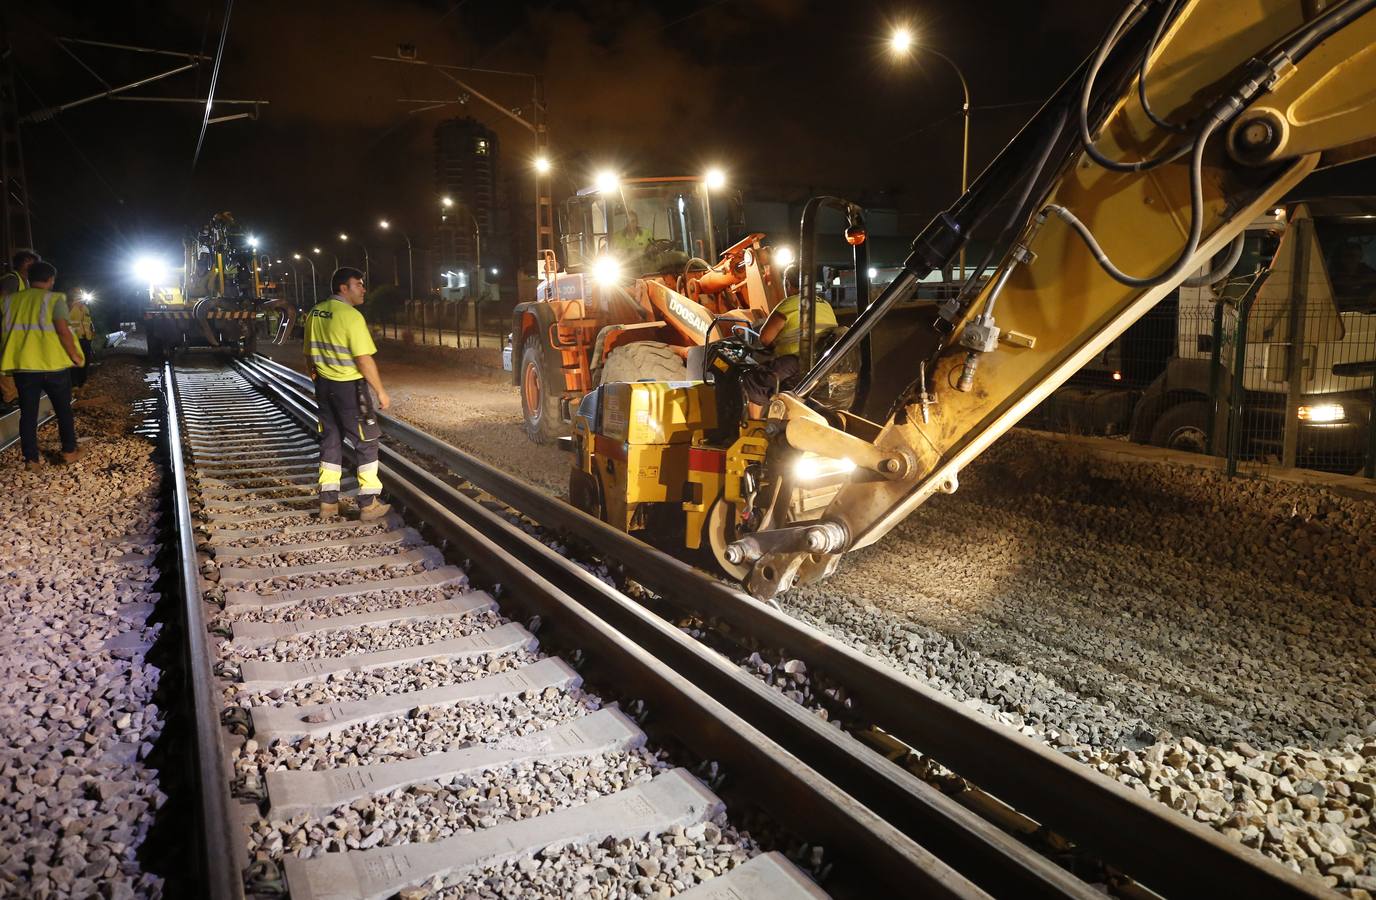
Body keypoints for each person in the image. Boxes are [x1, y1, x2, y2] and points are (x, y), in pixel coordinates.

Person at [304, 267, 391, 519]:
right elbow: (363, 359)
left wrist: (317, 377)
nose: (363, 289)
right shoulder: (351, 316)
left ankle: (328, 503)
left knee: (331, 441)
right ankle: (368, 503)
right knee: (367, 442)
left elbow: (309, 354)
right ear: (344, 288)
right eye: (359, 284)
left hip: (324, 386)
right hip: (349, 389)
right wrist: (380, 391)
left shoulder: (315, 312)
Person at [0, 262, 85, 470]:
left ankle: (31, 460)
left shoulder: (10, 301)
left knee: (28, 414)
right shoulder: (54, 299)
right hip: (52, 365)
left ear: (28, 278)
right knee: (63, 410)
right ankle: (69, 451)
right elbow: (63, 331)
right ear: (51, 280)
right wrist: (75, 355)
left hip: (24, 366)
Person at [739, 288, 839, 416]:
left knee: (749, 381)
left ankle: (751, 425)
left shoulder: (791, 303)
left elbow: (765, 338)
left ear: (788, 284)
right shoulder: (826, 305)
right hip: (823, 363)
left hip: (797, 363)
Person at [0, 250, 39, 407]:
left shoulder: (26, 282)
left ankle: (15, 393)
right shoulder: (11, 279)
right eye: (33, 263)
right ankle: (9, 397)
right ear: (25, 263)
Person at [67, 294, 96, 391]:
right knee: (75, 362)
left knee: (86, 361)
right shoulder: (69, 306)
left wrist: (92, 331)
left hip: (86, 339)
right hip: (74, 338)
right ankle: (74, 384)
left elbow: (89, 321)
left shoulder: (85, 308)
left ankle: (83, 383)